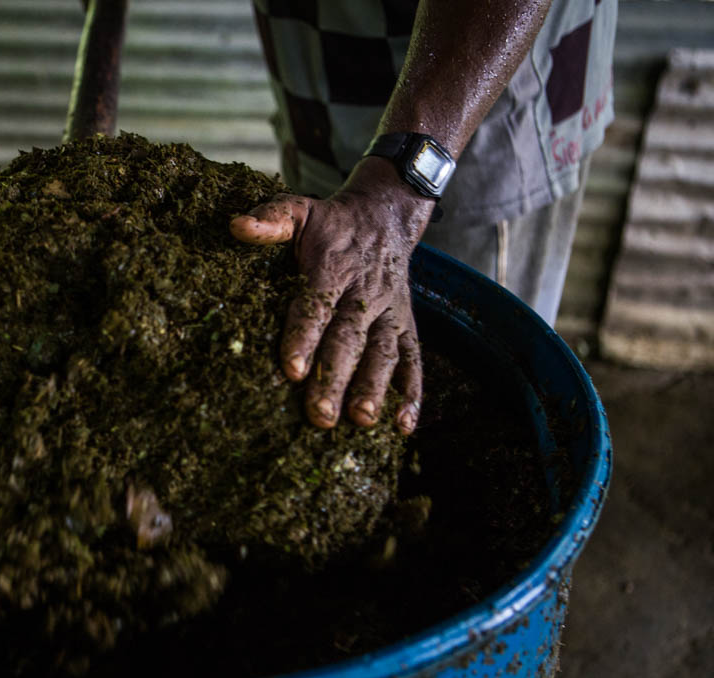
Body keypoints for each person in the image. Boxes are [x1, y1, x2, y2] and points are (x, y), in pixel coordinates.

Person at [229, 0, 616, 435]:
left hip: (480, 85)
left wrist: (400, 188)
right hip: (322, 72)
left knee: (471, 403)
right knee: (331, 319)